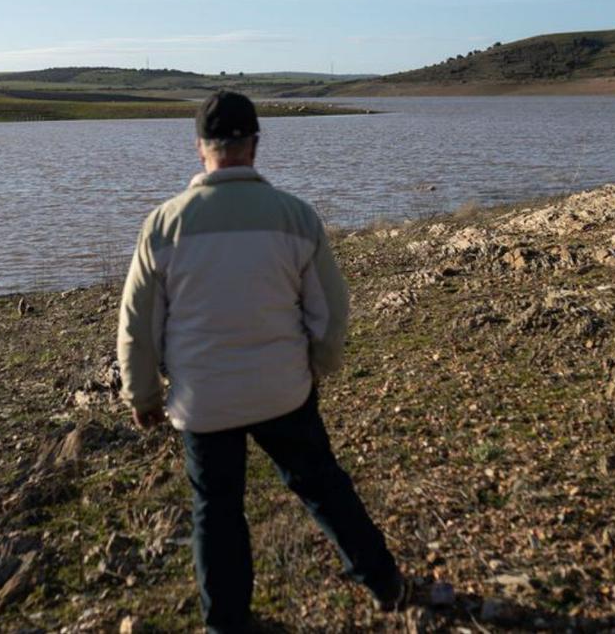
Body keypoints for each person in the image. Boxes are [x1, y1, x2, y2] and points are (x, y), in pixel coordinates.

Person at [117, 91, 413, 631]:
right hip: (284, 390)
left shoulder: (162, 226)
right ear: (254, 145)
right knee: (322, 484)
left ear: (200, 148)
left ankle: (226, 624)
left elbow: (137, 327)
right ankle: (384, 582)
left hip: (202, 403)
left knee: (217, 510)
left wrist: (143, 397)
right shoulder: (295, 217)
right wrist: (319, 365)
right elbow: (332, 310)